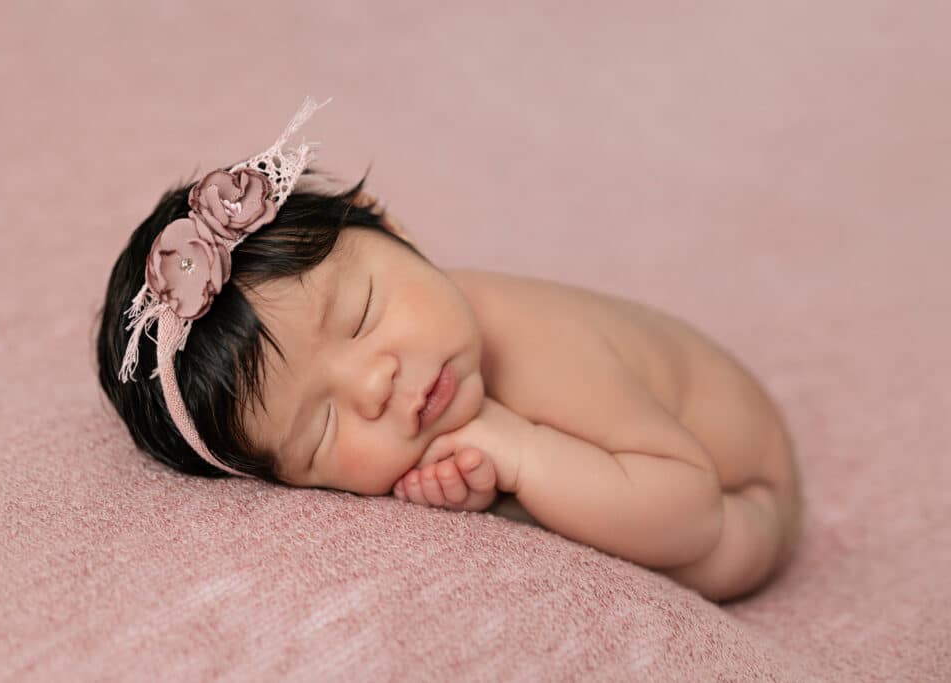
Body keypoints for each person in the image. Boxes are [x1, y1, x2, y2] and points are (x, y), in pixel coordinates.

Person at [95, 97, 803, 602]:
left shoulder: (534, 343)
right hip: (652, 473)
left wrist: (518, 451)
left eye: (363, 313)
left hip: (738, 484)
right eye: (323, 428)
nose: (375, 385)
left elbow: (693, 511)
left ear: (387, 223)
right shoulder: (434, 354)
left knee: (699, 559)